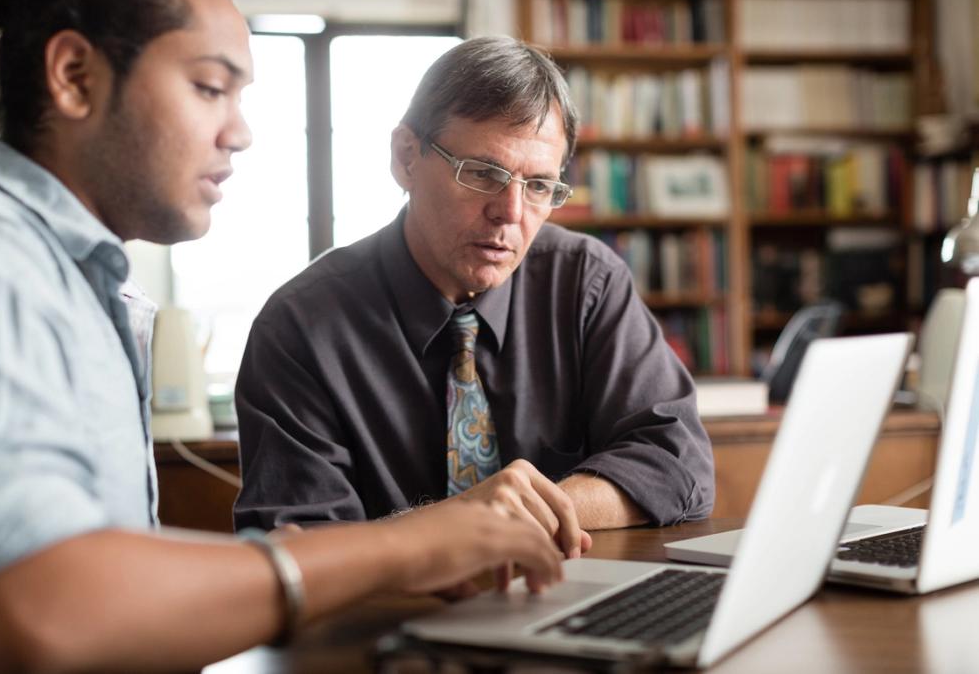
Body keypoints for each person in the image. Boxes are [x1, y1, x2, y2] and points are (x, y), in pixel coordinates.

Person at [0, 0, 565, 672]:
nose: (241, 133)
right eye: (209, 88)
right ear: (75, 76)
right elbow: (36, 606)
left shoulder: (70, 276)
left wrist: (382, 564)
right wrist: (409, 545)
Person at [235, 36, 716, 558]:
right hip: (383, 625)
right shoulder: (300, 327)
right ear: (405, 158)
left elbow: (678, 459)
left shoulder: (584, 282)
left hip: (564, 602)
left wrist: (530, 509)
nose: (510, 213)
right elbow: (296, 547)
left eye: (538, 186)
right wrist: (465, 523)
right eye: (483, 174)